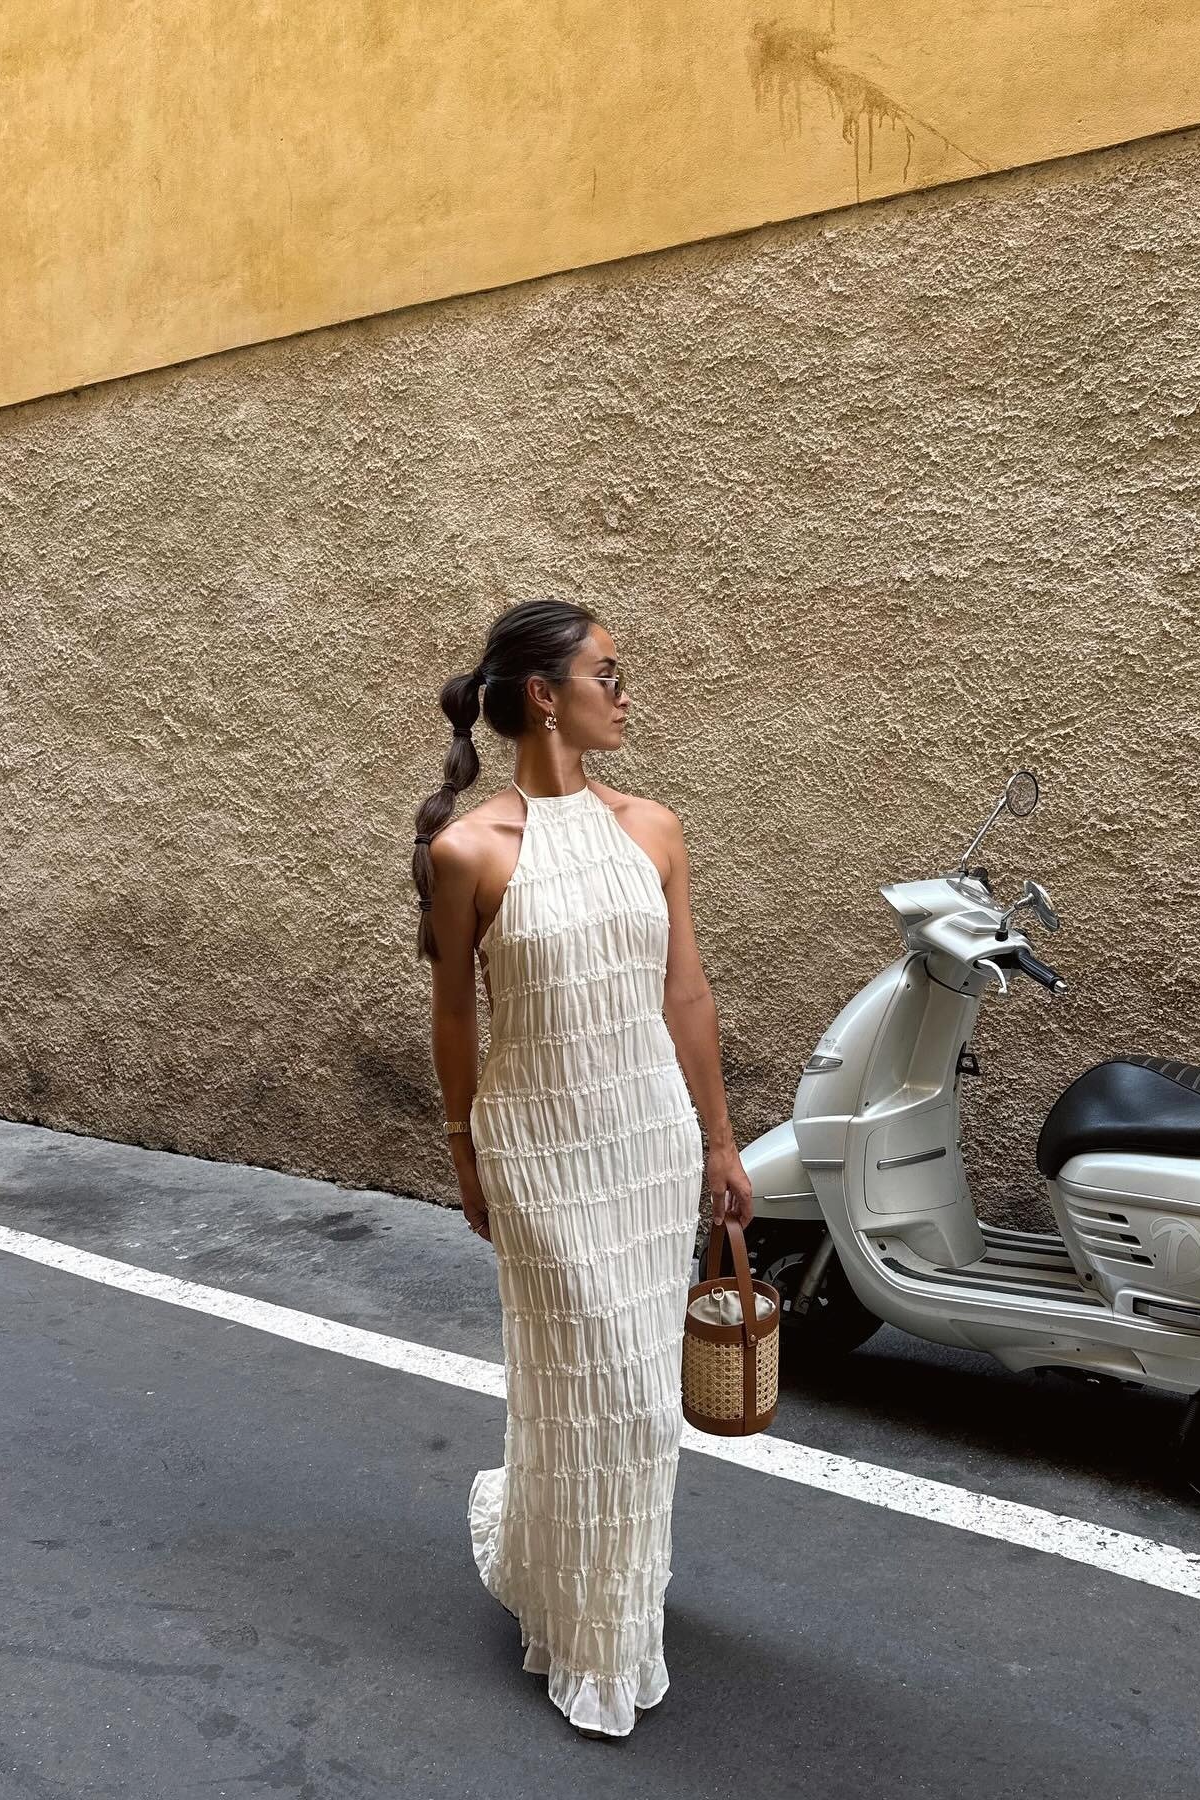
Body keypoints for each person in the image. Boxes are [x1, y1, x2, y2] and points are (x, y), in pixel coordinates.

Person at [412, 598, 752, 1739]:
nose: (627, 689)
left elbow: (685, 992)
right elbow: (455, 1017)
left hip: (648, 1143)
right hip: (542, 1150)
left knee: (635, 1397)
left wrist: (718, 1139)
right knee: (600, 1388)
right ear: (545, 695)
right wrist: (464, 1150)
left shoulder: (654, 827)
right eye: (610, 671)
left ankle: (589, 1593)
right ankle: (589, 1635)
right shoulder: (468, 851)